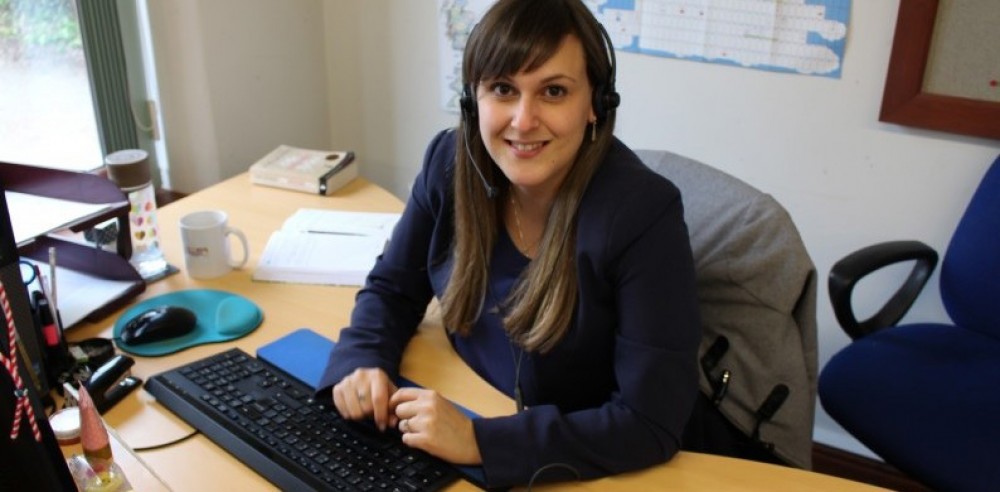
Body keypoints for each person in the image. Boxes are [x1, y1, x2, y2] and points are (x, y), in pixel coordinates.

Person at [317, 0, 701, 487]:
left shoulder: (643, 215)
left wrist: (481, 440)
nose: (522, 120)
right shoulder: (449, 162)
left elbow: (650, 421)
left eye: (554, 91)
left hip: (582, 465)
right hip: (467, 398)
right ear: (472, 100)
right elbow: (394, 288)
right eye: (503, 89)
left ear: (596, 104)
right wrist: (362, 360)